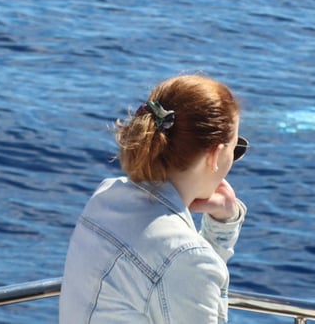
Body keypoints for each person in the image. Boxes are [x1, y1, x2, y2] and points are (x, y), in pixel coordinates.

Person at [60, 73, 249, 323]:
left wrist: (222, 224)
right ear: (215, 155)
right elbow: (185, 268)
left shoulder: (106, 195)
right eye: (236, 148)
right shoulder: (185, 255)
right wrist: (219, 236)